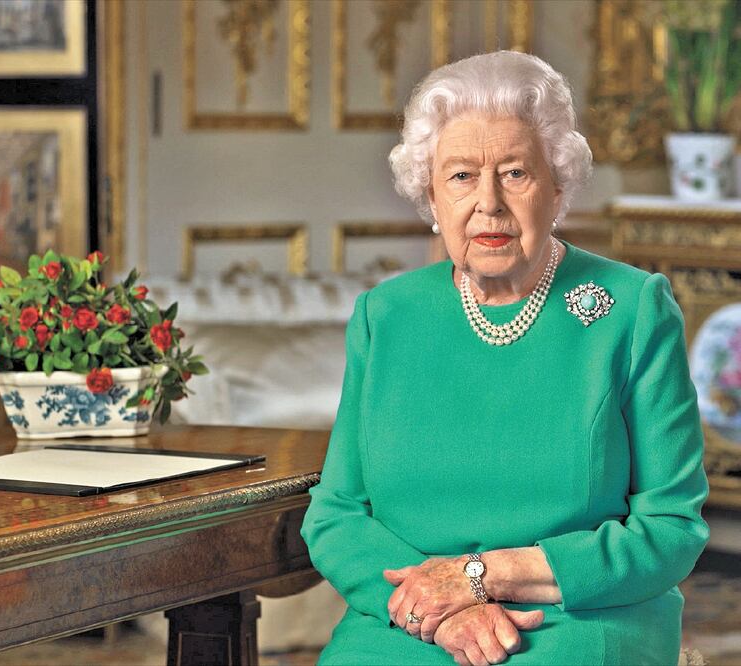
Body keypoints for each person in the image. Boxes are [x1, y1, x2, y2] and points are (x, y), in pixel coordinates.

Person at [300, 51, 710, 665]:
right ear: (431, 195)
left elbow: (672, 528)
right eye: (461, 176)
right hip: (411, 620)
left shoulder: (631, 310)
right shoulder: (386, 316)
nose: (488, 202)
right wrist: (442, 610)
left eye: (515, 173)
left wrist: (482, 576)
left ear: (557, 186)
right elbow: (335, 514)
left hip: (575, 618)